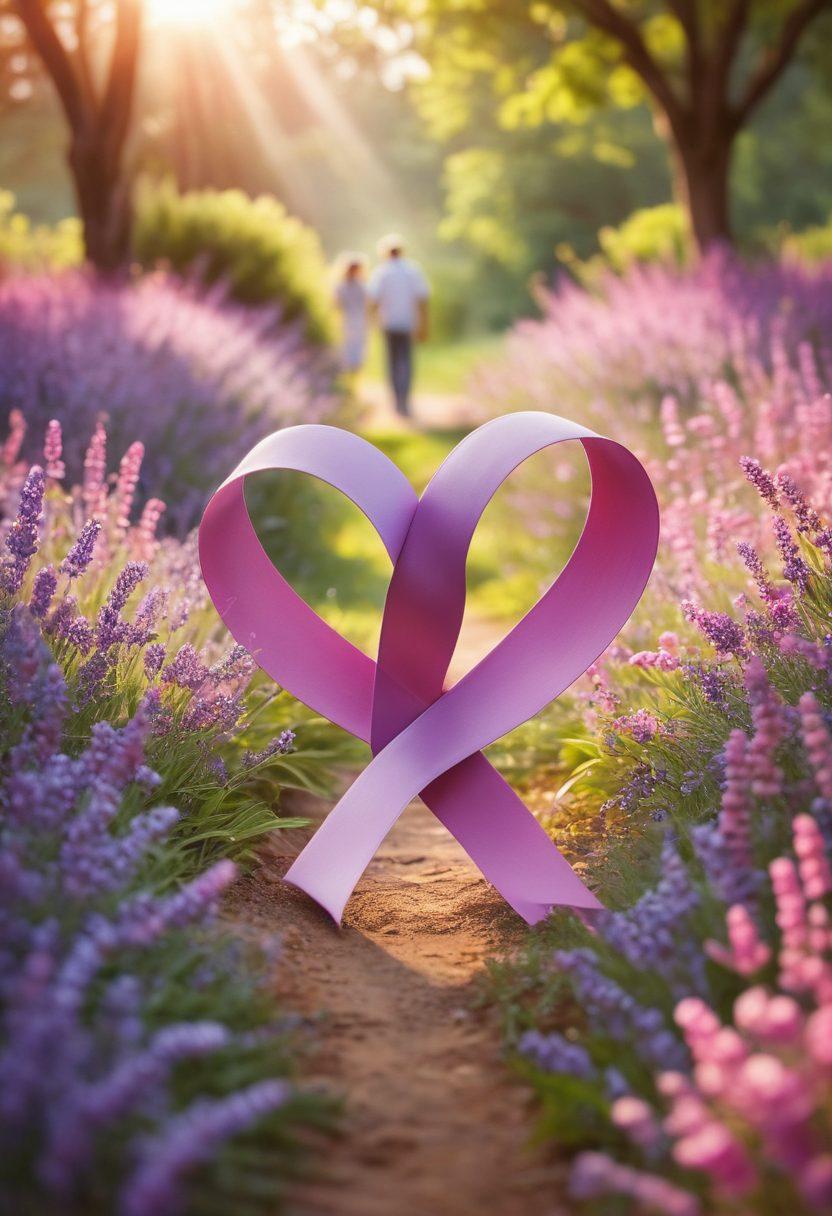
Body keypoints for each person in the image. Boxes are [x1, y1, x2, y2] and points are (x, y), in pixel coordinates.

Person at [367, 234, 430, 417]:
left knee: (393, 362)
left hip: (389, 323)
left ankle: (397, 400)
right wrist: (424, 325)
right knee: (406, 361)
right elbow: (422, 299)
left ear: (385, 253)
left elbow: (374, 300)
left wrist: (370, 321)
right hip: (407, 323)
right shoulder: (413, 271)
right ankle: (404, 399)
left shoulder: (382, 272)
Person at [334, 254, 369, 376]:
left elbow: (336, 305)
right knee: (356, 351)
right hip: (358, 321)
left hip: (349, 321)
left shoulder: (341, 286)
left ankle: (350, 379)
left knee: (348, 350)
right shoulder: (363, 286)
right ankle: (352, 379)